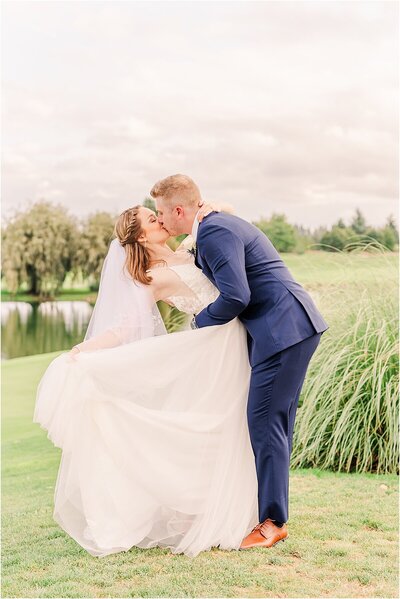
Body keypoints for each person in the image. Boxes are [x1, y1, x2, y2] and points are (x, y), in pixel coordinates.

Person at [34, 203, 260, 558]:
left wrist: (215, 206)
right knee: (211, 425)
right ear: (141, 235)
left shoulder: (187, 250)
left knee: (228, 423)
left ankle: (221, 507)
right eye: (153, 220)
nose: (161, 220)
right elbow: (124, 327)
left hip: (232, 339)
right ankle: (197, 512)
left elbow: (223, 218)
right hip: (212, 348)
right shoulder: (152, 276)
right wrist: (84, 350)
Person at [150, 174, 329, 550]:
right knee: (270, 423)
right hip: (285, 329)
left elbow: (235, 296)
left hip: (283, 330)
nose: (160, 220)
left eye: (161, 213)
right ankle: (268, 512)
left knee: (264, 423)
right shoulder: (211, 227)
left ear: (179, 210)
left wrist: (200, 322)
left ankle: (273, 522)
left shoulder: (214, 232)